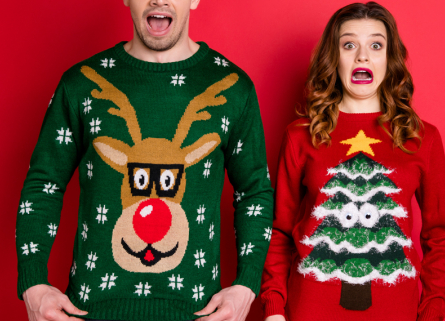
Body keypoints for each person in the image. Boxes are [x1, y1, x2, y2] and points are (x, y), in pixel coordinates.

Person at [15, 0, 273, 320]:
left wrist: (246, 285)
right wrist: (34, 282)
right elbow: (45, 182)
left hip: (197, 312)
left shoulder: (235, 89)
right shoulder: (81, 84)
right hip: (92, 310)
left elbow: (254, 191)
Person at [260, 2, 445, 321]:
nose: (362, 56)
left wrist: (432, 309)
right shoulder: (300, 136)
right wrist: (273, 309)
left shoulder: (422, 138)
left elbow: (440, 234)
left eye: (376, 45)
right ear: (333, 57)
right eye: (349, 44)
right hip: (308, 311)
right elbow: (279, 230)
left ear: (389, 58)